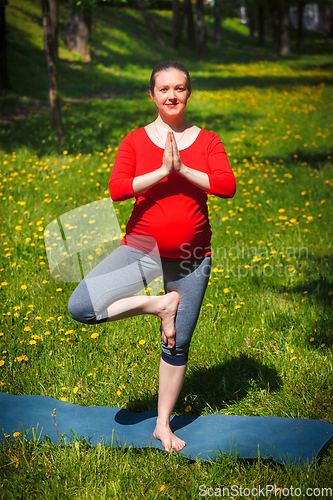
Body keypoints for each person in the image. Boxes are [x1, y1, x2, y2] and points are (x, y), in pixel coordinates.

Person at [68, 60, 236, 452]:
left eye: (179, 88)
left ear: (188, 93)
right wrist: (162, 170)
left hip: (193, 255)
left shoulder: (208, 140)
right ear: (152, 95)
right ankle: (159, 305)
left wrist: (183, 168)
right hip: (142, 250)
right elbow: (118, 189)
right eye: (164, 89)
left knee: (177, 345)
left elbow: (226, 186)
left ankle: (163, 425)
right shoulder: (136, 140)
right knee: (82, 307)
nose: (172, 95)